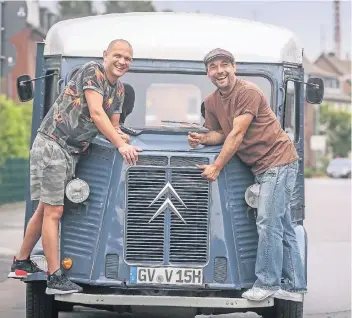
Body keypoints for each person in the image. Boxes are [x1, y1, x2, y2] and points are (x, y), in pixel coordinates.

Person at [8, 39, 141, 295]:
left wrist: (124, 138)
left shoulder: (120, 90)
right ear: (105, 54)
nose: (122, 62)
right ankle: (55, 276)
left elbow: (112, 125)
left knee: (46, 208)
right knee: (54, 211)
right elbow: (96, 113)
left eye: (128, 58)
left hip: (71, 151)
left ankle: (21, 261)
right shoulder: (92, 72)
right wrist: (121, 147)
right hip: (53, 144)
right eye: (118, 55)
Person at [188, 48, 306, 302]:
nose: (219, 71)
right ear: (207, 73)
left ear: (234, 67)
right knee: (283, 226)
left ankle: (267, 283)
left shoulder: (249, 92)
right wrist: (202, 138)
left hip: (279, 161)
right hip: (261, 168)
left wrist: (216, 167)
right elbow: (219, 133)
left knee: (268, 222)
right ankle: (296, 287)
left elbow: (237, 133)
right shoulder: (211, 102)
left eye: (224, 65)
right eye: (213, 67)